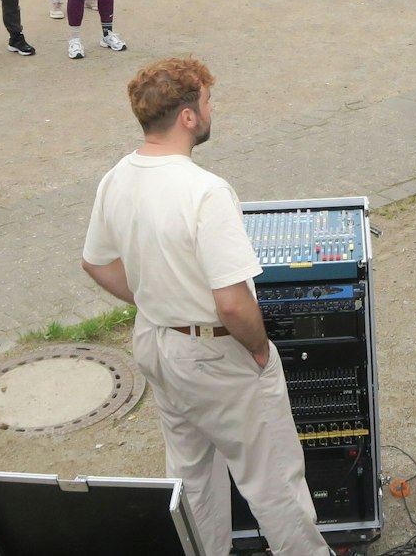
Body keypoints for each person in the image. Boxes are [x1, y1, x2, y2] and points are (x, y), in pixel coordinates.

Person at [79, 57, 332, 556]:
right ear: (188, 116)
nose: (213, 109)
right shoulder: (206, 192)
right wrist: (259, 350)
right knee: (274, 483)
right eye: (208, 101)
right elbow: (232, 304)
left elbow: (96, 263)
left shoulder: (116, 177)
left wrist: (156, 300)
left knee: (192, 479)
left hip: (157, 342)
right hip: (214, 354)